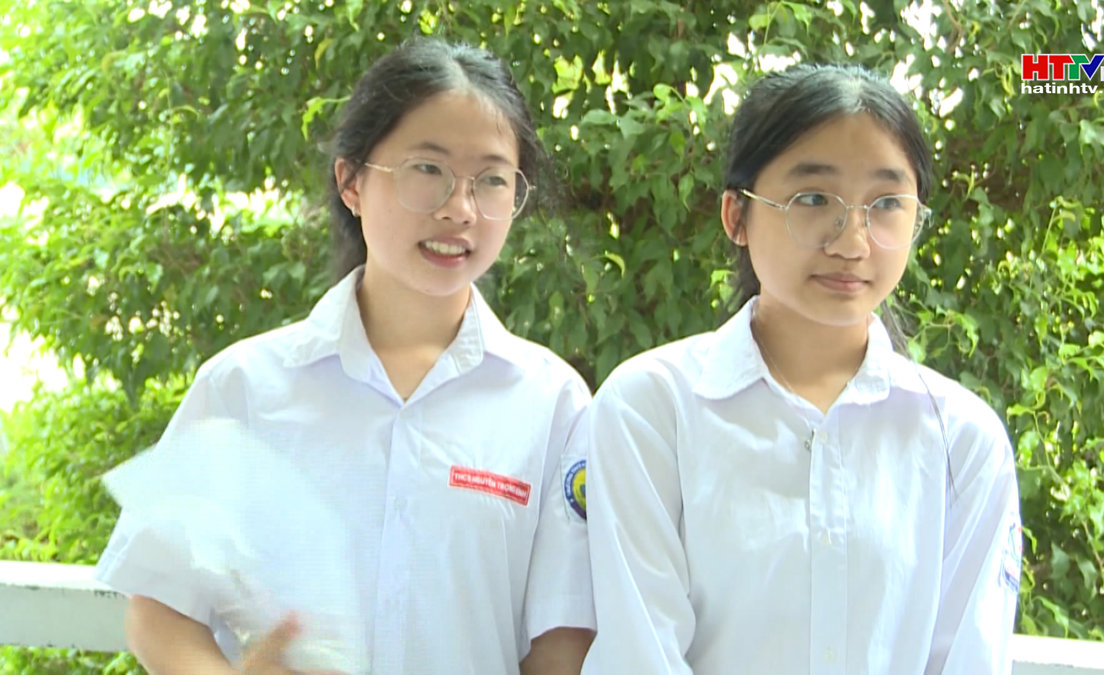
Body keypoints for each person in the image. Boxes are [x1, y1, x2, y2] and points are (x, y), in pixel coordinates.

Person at [96, 37, 594, 674]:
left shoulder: (552, 403)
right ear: (351, 181)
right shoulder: (243, 387)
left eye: (492, 180)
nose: (460, 209)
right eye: (427, 169)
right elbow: (159, 612)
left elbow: (561, 642)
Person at [580, 63, 1022, 674]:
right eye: (813, 199)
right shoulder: (651, 409)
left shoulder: (962, 440)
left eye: (886, 204)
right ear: (736, 216)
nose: (852, 242)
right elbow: (641, 654)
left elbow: (969, 660)